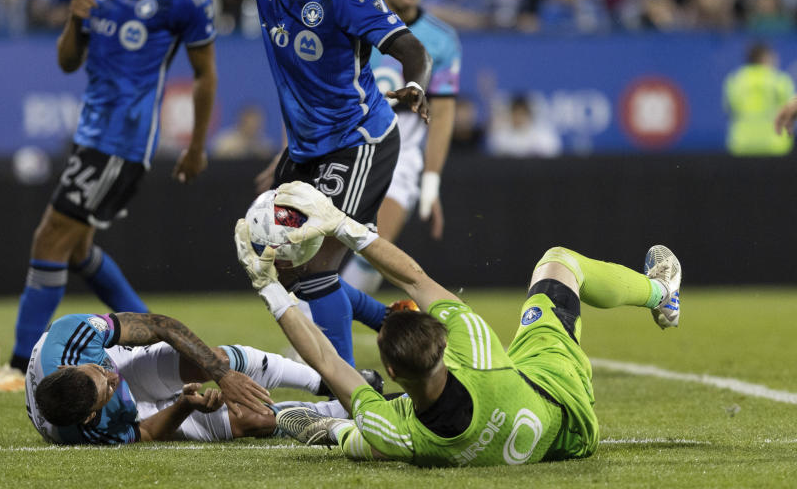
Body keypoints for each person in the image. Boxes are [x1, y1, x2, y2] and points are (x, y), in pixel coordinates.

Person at [166, 0, 433, 366]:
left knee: (312, 269)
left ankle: (347, 395)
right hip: (306, 148)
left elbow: (410, 47)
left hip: (359, 144)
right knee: (285, 270)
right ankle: (400, 320)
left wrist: (416, 83)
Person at [0, 0, 219, 393]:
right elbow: (67, 62)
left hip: (123, 142)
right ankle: (159, 347)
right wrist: (74, 21)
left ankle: (16, 369)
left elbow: (204, 76)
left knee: (48, 238)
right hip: (90, 136)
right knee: (76, 251)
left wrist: (197, 144)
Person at [234, 181, 682, 467]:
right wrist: (343, 226)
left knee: (369, 441)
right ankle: (662, 293)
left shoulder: (401, 430)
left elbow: (329, 364)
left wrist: (266, 283)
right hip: (559, 396)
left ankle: (332, 431)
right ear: (443, 344)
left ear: (391, 373)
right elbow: (414, 279)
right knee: (559, 262)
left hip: (565, 438)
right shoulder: (478, 349)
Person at [27, 310, 356, 444]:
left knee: (215, 360)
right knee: (252, 420)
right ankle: (349, 416)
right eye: (107, 389)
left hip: (127, 363)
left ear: (66, 368)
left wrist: (222, 374)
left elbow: (159, 325)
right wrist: (185, 404)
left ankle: (324, 382)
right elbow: (145, 431)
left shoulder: (72, 337)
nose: (109, 378)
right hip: (128, 414)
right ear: (90, 416)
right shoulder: (88, 435)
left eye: (99, 372)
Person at [341, 0, 461, 297]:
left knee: (375, 248)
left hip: (399, 153)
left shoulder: (441, 40)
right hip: (345, 143)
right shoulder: (352, 25)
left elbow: (442, 114)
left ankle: (327, 337)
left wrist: (431, 180)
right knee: (324, 248)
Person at [723, 43, 795, 156]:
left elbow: (730, 110)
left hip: (743, 145)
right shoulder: (780, 81)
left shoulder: (736, 81)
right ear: (765, 58)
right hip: (775, 146)